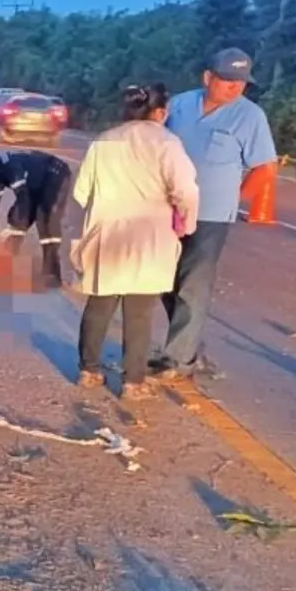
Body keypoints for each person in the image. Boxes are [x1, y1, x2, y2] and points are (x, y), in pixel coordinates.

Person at [151, 48, 278, 380]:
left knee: (193, 284)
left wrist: (233, 202)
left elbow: (265, 168)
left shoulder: (250, 117)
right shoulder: (179, 105)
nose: (234, 88)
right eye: (227, 80)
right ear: (207, 77)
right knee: (164, 281)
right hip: (169, 209)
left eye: (241, 83)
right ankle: (188, 349)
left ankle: (177, 359)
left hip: (211, 215)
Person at [71, 84, 200, 401]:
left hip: (108, 232)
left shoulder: (105, 141)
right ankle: (133, 382)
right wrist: (187, 223)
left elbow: (81, 191)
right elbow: (187, 191)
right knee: (140, 311)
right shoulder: (167, 143)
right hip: (150, 236)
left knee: (99, 304)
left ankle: (88, 370)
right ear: (160, 112)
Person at [0, 149, 72, 289]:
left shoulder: (10, 168)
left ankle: (52, 275)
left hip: (55, 174)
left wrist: (14, 227)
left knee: (44, 219)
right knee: (16, 218)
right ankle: (6, 265)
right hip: (34, 185)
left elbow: (24, 200)